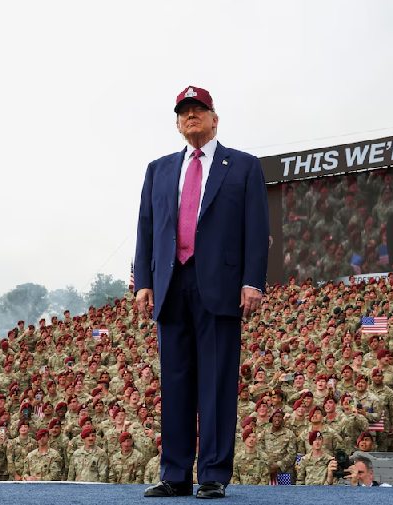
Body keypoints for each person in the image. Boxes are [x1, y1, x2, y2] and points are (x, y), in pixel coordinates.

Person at [136, 86, 269, 499]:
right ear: (177, 123)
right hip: (171, 284)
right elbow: (146, 228)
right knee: (174, 381)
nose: (191, 116)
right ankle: (175, 474)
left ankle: (213, 473)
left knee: (216, 382)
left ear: (215, 118)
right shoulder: (158, 169)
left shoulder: (243, 166)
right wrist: (143, 281)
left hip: (221, 285)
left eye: (199, 109)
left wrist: (252, 281)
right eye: (184, 112)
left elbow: (256, 228)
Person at [325, 452, 391, 487]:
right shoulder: (344, 489)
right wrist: (329, 480)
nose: (356, 476)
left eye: (360, 472)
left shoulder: (384, 488)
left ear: (370, 474)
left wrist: (355, 486)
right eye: (353, 472)